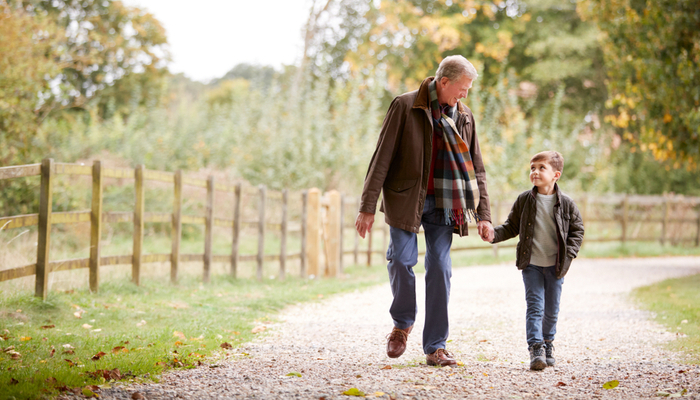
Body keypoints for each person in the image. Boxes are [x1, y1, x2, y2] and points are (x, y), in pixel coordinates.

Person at [355, 55, 493, 367]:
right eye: (462, 88)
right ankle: (402, 324)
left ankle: (435, 347)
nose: (464, 95)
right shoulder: (405, 106)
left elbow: (477, 170)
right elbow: (381, 158)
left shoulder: (465, 117)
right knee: (402, 261)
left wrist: (484, 215)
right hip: (406, 198)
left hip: (447, 204)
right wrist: (367, 206)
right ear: (444, 82)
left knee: (440, 270)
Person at [490, 151, 584, 370]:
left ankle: (548, 342)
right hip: (530, 264)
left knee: (552, 309)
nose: (535, 172)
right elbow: (511, 226)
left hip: (556, 266)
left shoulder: (567, 204)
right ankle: (535, 348)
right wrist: (493, 235)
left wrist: (569, 254)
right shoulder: (524, 200)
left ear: (556, 175)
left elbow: (577, 231)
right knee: (535, 307)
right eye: (533, 168)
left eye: (542, 168)